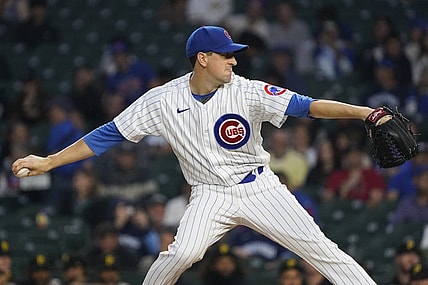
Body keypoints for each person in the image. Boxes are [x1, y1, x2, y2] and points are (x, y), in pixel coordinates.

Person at [12, 25, 390, 284]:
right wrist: (48, 162)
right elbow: (107, 135)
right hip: (209, 193)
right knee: (180, 255)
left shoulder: (247, 90)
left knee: (324, 251)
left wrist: (363, 113)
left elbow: (308, 106)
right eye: (227, 55)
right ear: (203, 58)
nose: (235, 61)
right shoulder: (162, 99)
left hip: (260, 189)